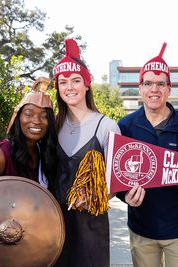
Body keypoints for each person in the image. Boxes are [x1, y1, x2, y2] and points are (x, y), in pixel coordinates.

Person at [116, 42, 178, 267]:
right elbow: (115, 174)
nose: (154, 89)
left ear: (169, 89)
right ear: (140, 88)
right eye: (148, 83)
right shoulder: (125, 126)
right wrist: (124, 196)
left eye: (161, 84)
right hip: (142, 227)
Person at [52, 38, 121, 267]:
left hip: (91, 228)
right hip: (54, 227)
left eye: (76, 80)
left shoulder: (107, 126)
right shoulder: (51, 126)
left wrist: (95, 196)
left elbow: (119, 180)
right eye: (63, 82)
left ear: (87, 84)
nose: (69, 87)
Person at [0, 77, 57, 190]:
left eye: (44, 116)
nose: (36, 121)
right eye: (28, 114)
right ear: (18, 118)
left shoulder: (44, 153)